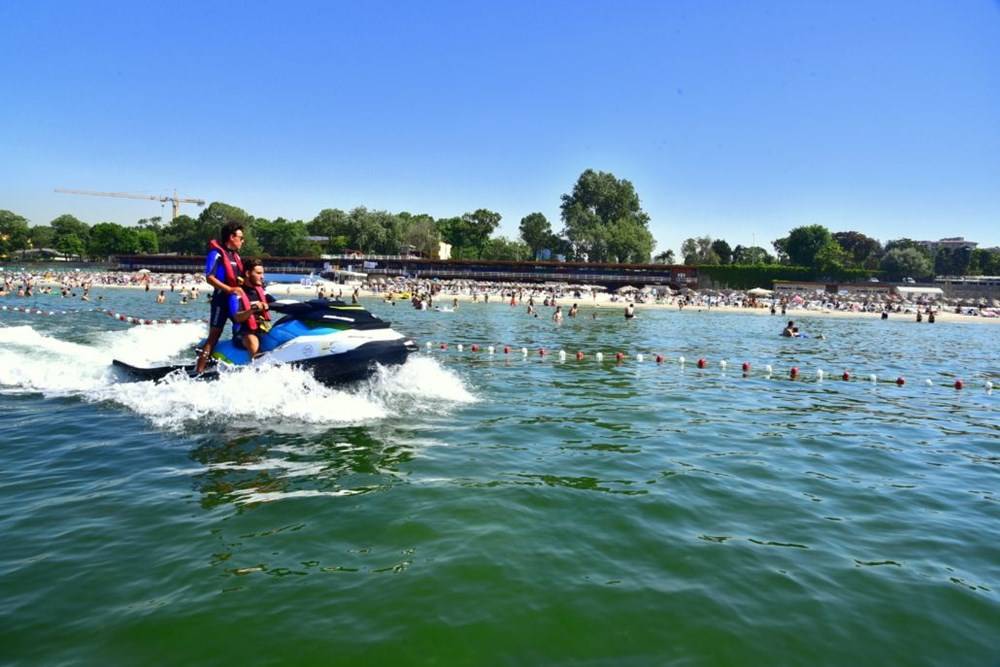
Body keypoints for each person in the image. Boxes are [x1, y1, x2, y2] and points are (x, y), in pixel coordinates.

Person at [196, 221, 245, 373]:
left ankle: (240, 364)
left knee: (242, 331)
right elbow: (209, 277)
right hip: (221, 301)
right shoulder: (216, 253)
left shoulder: (235, 256)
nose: (243, 241)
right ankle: (199, 370)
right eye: (241, 237)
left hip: (235, 301)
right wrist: (229, 289)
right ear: (231, 237)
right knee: (214, 336)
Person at [229, 259, 276, 359]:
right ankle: (258, 365)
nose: (262, 277)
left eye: (262, 273)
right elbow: (237, 317)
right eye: (258, 273)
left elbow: (276, 303)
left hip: (262, 331)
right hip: (243, 334)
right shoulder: (237, 294)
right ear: (247, 273)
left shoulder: (262, 292)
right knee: (252, 338)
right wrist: (252, 309)